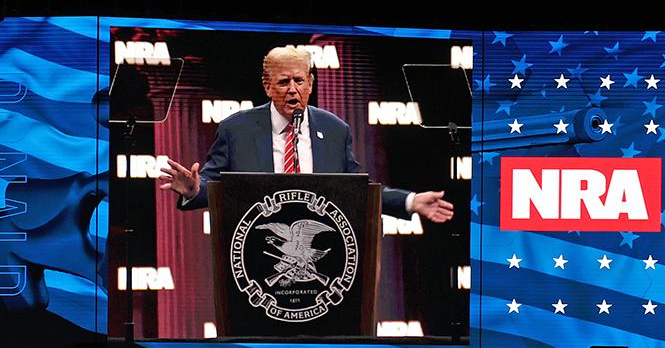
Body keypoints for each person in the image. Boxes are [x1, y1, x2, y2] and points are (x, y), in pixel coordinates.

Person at [159, 45, 455, 223]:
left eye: (299, 80)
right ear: (267, 85)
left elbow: (358, 189)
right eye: (284, 81)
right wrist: (195, 190)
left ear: (311, 83)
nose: (293, 89)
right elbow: (215, 182)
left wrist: (410, 201)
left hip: (319, 256)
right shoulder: (237, 129)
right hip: (256, 258)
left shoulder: (335, 130)